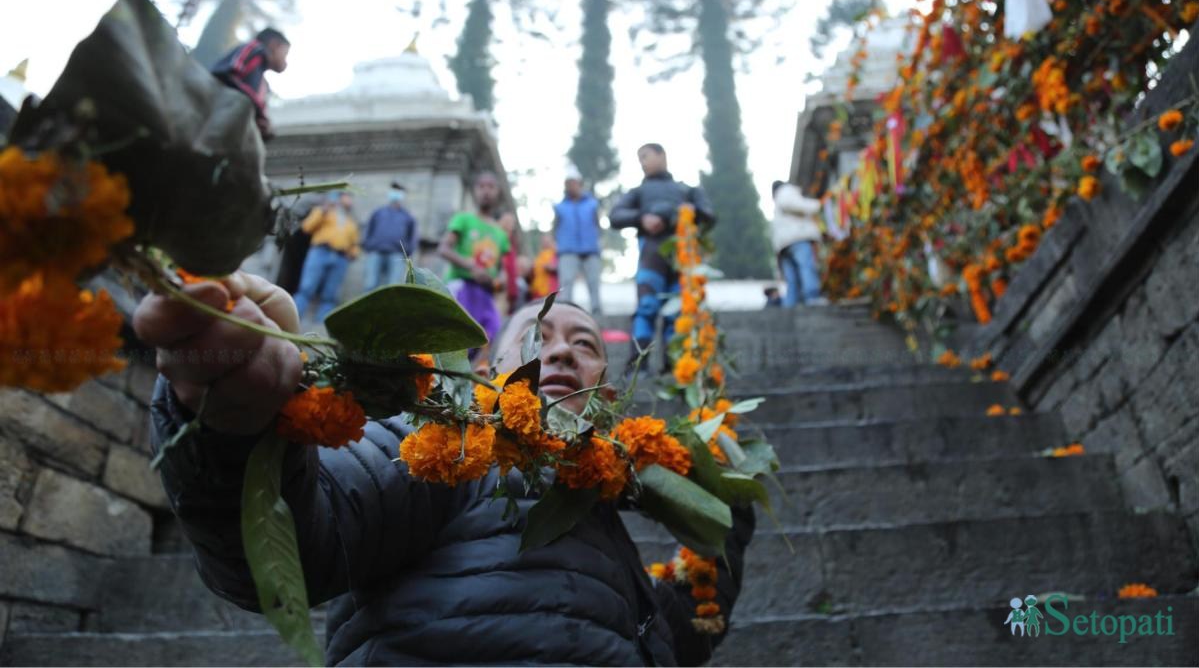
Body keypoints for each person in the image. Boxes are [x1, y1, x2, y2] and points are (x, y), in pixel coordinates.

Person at [135, 276, 754, 665]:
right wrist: (236, 426)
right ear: (486, 367)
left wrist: (726, 514)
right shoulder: (446, 447)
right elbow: (294, 549)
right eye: (537, 335)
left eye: (586, 344)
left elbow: (676, 641)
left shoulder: (596, 506)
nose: (561, 349)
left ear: (608, 389)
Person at [610, 143, 715, 373]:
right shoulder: (637, 192)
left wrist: (691, 211)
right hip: (652, 255)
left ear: (662, 155)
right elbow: (615, 216)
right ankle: (638, 366)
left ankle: (675, 366)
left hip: (682, 260)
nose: (643, 163)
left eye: (645, 156)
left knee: (676, 312)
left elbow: (709, 214)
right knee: (647, 307)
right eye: (639, 159)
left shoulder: (687, 190)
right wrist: (642, 218)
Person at [438, 172, 510, 351]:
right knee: (456, 342)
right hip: (461, 288)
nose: (486, 191)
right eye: (481, 186)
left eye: (491, 187)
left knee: (495, 340)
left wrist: (500, 280)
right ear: (475, 191)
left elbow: (501, 268)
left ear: (498, 193)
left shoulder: (500, 234)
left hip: (486, 294)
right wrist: (471, 267)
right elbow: (443, 248)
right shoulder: (463, 219)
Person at [209, 28, 290, 142]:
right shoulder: (254, 49)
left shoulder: (263, 84)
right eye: (285, 54)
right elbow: (226, 75)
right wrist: (258, 111)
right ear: (274, 45)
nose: (285, 62)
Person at [293, 191, 360, 323]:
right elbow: (307, 227)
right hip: (320, 252)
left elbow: (355, 243)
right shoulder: (323, 211)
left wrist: (353, 253)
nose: (350, 200)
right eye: (348, 197)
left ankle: (322, 326)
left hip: (341, 258)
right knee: (307, 287)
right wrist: (323, 210)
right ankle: (292, 317)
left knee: (330, 294)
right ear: (340, 198)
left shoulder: (351, 221)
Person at [553, 166, 604, 315]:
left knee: (594, 283)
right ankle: (565, 312)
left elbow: (597, 225)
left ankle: (597, 313)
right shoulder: (560, 207)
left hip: (590, 249)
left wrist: (598, 242)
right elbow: (555, 228)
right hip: (567, 250)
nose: (570, 186)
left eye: (573, 182)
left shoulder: (592, 204)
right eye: (568, 183)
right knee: (566, 283)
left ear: (579, 183)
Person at [771, 180, 829, 308]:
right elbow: (795, 204)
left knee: (792, 279)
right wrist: (819, 205)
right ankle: (812, 297)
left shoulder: (777, 205)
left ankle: (789, 306)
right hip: (797, 238)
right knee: (806, 267)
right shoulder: (786, 191)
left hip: (783, 245)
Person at [362, 183, 419, 291]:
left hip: (397, 255)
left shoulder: (407, 216)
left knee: (393, 287)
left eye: (399, 191)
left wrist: (407, 251)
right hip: (375, 252)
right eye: (394, 190)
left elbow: (412, 236)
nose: (396, 194)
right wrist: (368, 245)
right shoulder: (378, 212)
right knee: (370, 285)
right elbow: (368, 229)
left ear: (403, 195)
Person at [528, 232, 559, 300]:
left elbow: (558, 268)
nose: (545, 242)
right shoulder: (541, 254)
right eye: (543, 240)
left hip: (550, 290)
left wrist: (550, 267)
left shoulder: (556, 253)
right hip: (538, 291)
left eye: (547, 240)